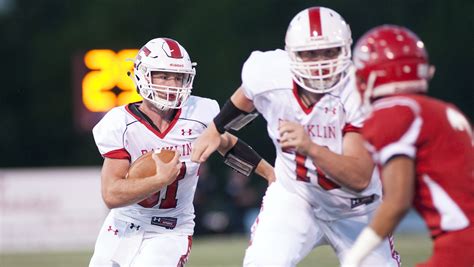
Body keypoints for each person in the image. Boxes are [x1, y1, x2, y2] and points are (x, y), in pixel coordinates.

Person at [191, 7, 400, 266]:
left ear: (346, 50)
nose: (321, 63)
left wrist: (309, 147)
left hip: (355, 207)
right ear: (292, 55)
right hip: (296, 197)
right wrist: (216, 127)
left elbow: (358, 177)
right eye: (310, 54)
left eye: (329, 52)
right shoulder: (269, 72)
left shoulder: (361, 91)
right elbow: (247, 94)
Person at [89, 37, 275, 267]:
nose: (172, 85)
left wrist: (271, 174)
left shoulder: (199, 112)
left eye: (178, 77)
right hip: (124, 223)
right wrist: (159, 180)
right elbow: (111, 195)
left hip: (170, 230)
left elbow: (227, 144)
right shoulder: (120, 123)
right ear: (143, 74)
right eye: (164, 76)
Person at [342, 25, 474, 267]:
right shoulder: (446, 111)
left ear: (372, 76)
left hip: (462, 246)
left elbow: (397, 201)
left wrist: (353, 258)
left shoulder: (394, 113)